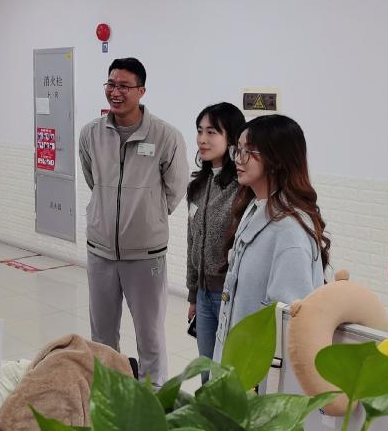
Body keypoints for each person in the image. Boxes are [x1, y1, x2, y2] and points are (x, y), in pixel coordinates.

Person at [78, 58, 189, 386]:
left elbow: (176, 188)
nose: (115, 92)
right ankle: (109, 395)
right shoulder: (91, 134)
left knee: (150, 336)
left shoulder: (166, 136)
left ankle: (153, 398)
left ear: (141, 91)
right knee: (102, 336)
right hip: (100, 251)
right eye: (111, 84)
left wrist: (147, 216)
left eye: (124, 86)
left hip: (145, 255)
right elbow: (93, 179)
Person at [212, 115, 330, 392]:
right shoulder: (254, 207)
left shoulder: (290, 231)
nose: (238, 159)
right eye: (237, 149)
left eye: (248, 151)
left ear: (276, 159)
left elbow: (289, 323)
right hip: (238, 362)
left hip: (262, 380)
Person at [186, 102, 246, 383]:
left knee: (228, 375)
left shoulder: (242, 189)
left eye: (211, 132)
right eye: (200, 131)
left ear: (232, 138)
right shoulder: (197, 186)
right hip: (203, 294)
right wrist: (192, 294)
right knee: (206, 372)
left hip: (230, 296)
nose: (202, 139)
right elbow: (192, 241)